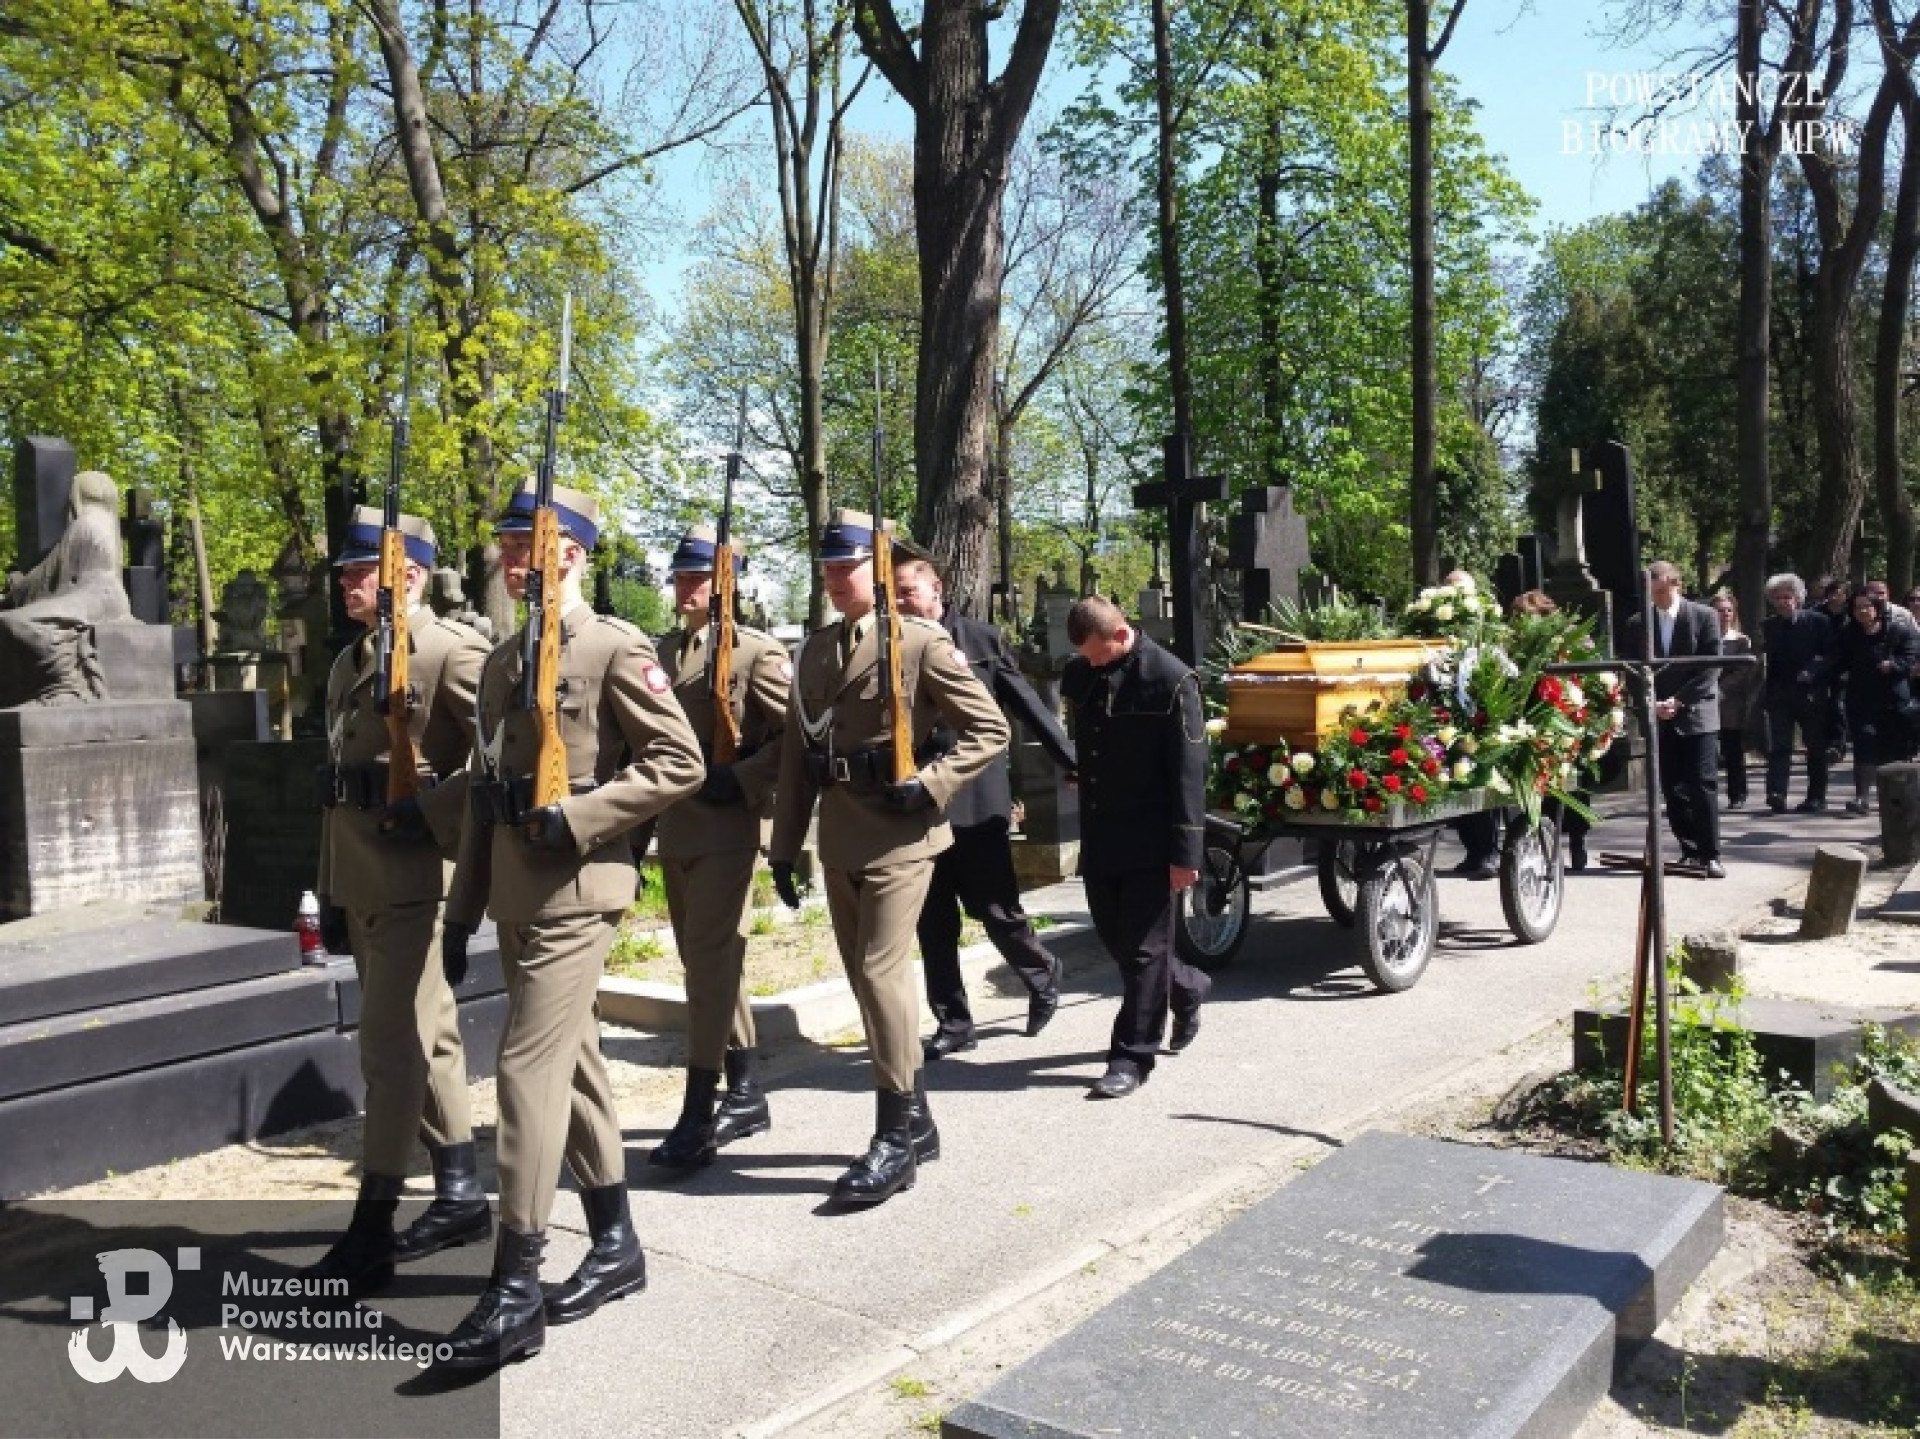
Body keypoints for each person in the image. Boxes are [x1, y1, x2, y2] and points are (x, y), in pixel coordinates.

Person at [438, 482, 704, 1368]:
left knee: (525, 1069)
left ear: (574, 552)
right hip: (517, 894)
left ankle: (515, 1286)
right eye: (508, 545)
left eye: (531, 544)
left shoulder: (613, 646)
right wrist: (462, 908)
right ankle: (616, 1243)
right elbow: (484, 795)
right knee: (577, 1063)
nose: (514, 560)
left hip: (582, 889)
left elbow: (680, 761)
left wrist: (584, 817)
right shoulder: (499, 660)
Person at [767, 511, 1008, 1206]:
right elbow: (797, 758)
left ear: (873, 570)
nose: (834, 578)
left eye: (846, 566)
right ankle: (920, 1119)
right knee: (862, 978)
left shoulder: (921, 642)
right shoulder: (814, 652)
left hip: (903, 836)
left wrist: (932, 784)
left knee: (880, 974)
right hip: (841, 835)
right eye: (827, 567)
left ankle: (894, 1136)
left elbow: (988, 728)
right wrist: (784, 846)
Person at [305, 506, 490, 1292]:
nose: (346, 582)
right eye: (345, 571)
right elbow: (339, 778)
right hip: (363, 877)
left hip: (417, 877)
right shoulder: (350, 661)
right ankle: (460, 1191)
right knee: (427, 1036)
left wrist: (433, 808)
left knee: (387, 1050)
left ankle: (371, 1230)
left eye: (359, 570)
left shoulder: (449, 651)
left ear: (406, 573)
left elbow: (503, 752)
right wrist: (329, 886)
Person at [891, 540, 1077, 1059]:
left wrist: (1071, 761)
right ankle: (954, 1022)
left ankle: (1042, 972)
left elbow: (1026, 705)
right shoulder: (889, 645)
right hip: (918, 798)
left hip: (976, 794)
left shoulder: (980, 640)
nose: (900, 602)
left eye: (907, 591)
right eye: (893, 594)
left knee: (993, 906)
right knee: (932, 918)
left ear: (936, 588)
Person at [648, 526, 791, 1171]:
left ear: (725, 584)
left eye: (697, 578)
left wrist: (746, 778)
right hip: (676, 827)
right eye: (680, 576)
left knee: (707, 963)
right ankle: (747, 1087)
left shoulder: (756, 653)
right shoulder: (661, 652)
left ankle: (698, 1112)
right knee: (705, 962)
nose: (685, 587)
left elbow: (797, 738)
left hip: (729, 828)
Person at [1061, 596, 1211, 1099]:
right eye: (1084, 657)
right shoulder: (1082, 673)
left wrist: (1186, 854)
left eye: (1097, 654)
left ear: (1121, 635)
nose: (1091, 665)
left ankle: (1131, 1057)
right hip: (1103, 833)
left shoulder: (1172, 680)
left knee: (1145, 953)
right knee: (1119, 942)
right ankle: (1187, 988)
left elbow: (1188, 774)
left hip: (1152, 838)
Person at [1626, 561, 1724, 877]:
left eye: (1659, 589)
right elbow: (1633, 670)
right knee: (1672, 786)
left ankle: (1710, 853)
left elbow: (1710, 667)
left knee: (1702, 783)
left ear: (1674, 583)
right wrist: (1651, 702)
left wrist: (1680, 701)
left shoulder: (1704, 616)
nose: (1655, 596)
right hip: (1659, 713)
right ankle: (1689, 850)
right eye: (1650, 591)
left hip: (1697, 714)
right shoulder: (1638, 623)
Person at [1509, 589, 1594, 870]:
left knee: (1572, 788)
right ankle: (1542, 846)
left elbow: (1589, 668)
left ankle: (1577, 842)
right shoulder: (1513, 641)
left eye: (1527, 616)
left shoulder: (1569, 637)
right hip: (1533, 717)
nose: (1521, 622)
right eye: (1518, 617)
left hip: (1566, 715)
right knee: (1541, 786)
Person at [1830, 590, 1920, 814]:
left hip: (1894, 700)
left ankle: (1896, 801)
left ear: (1877, 608)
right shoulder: (1848, 634)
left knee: (1894, 751)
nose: (1862, 611)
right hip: (1861, 699)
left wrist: (1894, 665)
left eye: (1867, 606)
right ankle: (1861, 798)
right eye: (1857, 607)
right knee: (1864, 744)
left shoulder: (1899, 630)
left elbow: (1911, 658)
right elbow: (1837, 661)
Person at [1761, 573, 1835, 814]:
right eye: (1778, 598)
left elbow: (1831, 655)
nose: (1783, 602)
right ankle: (1776, 793)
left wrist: (1812, 671)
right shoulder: (1769, 626)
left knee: (1815, 746)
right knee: (1779, 746)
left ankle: (1816, 796)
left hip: (1810, 694)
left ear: (1798, 598)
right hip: (1780, 694)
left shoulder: (1818, 622)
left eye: (1788, 597)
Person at [1710, 592, 1761, 811]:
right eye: (1720, 610)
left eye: (1729, 610)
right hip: (1704, 699)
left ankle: (1737, 793)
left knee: (1733, 750)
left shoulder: (1740, 640)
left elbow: (1742, 671)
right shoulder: (1703, 637)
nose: (1725, 614)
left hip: (1731, 702)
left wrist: (1721, 691)